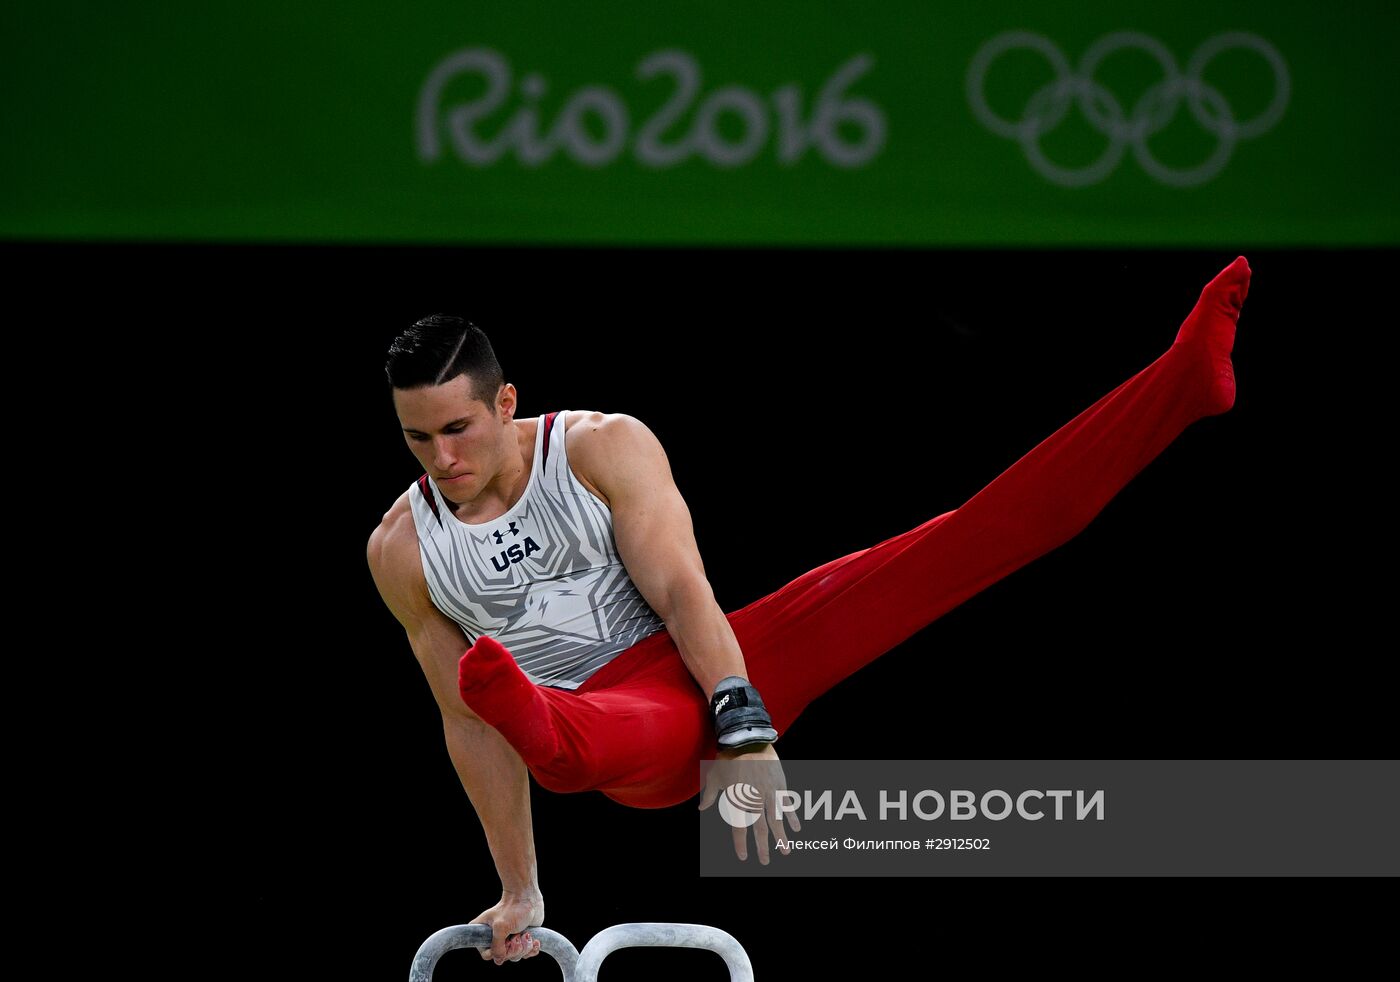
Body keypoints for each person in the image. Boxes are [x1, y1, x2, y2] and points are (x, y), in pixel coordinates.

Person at [366, 256, 1251, 965]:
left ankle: (1178, 386)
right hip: (619, 728)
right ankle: (545, 720)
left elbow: (682, 594)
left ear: (506, 403)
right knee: (543, 727)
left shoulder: (601, 447)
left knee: (955, 544)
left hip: (707, 659)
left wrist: (746, 734)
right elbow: (466, 726)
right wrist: (520, 886)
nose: (441, 458)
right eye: (417, 437)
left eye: (459, 429)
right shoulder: (403, 549)